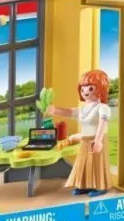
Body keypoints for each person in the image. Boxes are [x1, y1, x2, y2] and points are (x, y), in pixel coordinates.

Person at [47, 69, 113, 197]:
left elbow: (103, 123)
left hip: (97, 139)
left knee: (97, 163)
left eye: (90, 88)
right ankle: (84, 185)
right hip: (85, 140)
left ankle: (101, 186)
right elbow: (70, 112)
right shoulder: (84, 109)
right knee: (84, 163)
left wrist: (98, 140)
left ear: (101, 88)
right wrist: (54, 110)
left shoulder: (103, 108)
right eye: (83, 89)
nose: (85, 92)